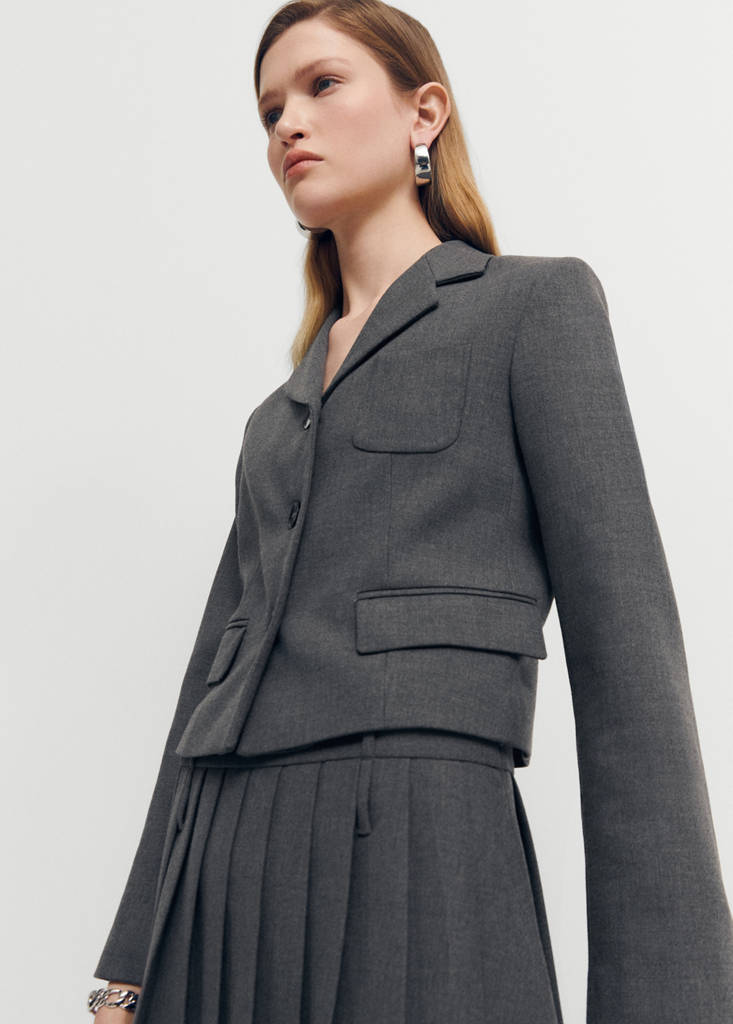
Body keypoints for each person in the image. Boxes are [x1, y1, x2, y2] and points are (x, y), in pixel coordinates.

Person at [88, 1, 733, 1021]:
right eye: (269, 111)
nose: (289, 124)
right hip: (221, 869)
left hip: (418, 842)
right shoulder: (275, 418)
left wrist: (671, 1002)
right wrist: (126, 970)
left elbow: (631, 663)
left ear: (422, 112)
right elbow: (205, 683)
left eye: (321, 85)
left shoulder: (531, 309)